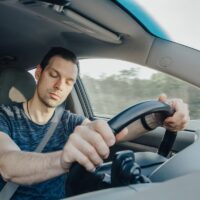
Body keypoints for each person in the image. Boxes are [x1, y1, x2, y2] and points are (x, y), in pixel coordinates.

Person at [0, 47, 189, 199]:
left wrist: (156, 118)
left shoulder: (69, 121)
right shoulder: (5, 116)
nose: (59, 86)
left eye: (68, 81)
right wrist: (62, 159)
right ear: (39, 73)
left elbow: (115, 132)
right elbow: (7, 163)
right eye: (54, 75)